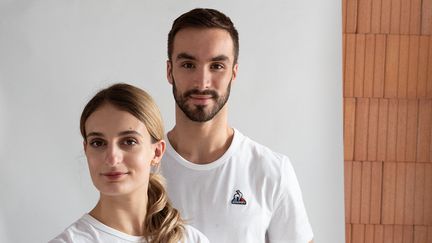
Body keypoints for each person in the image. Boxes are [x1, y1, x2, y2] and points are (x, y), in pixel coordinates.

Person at [161, 8, 314, 243]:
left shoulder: (271, 171)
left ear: (234, 72)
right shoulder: (141, 168)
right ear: (170, 71)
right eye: (189, 65)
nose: (202, 82)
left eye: (217, 66)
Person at [49, 83, 209, 243]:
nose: (112, 158)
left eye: (129, 141)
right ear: (86, 149)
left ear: (157, 152)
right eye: (98, 143)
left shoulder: (191, 239)